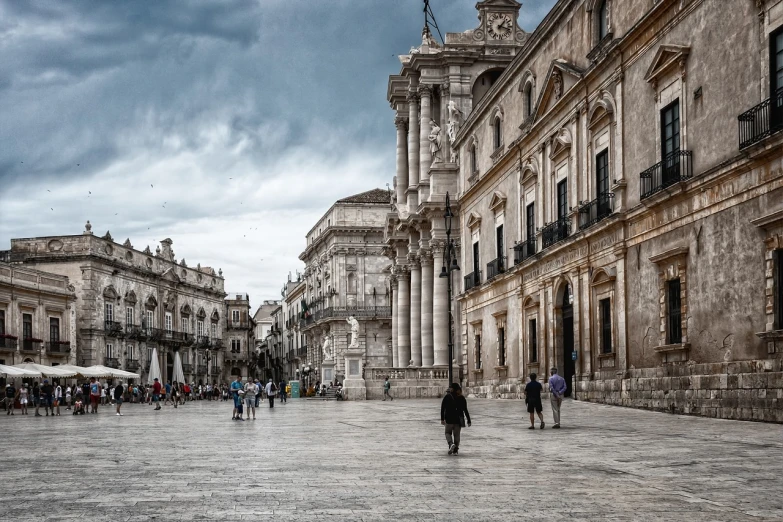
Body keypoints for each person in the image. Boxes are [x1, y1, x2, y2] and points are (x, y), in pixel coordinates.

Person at [440, 383, 471, 455]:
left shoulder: (447, 397)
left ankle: (451, 444)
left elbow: (442, 409)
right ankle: (455, 450)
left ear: (452, 389)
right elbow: (465, 410)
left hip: (449, 419)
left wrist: (442, 419)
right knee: (457, 435)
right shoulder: (462, 398)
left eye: (450, 388)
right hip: (458, 420)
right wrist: (469, 420)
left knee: (447, 433)